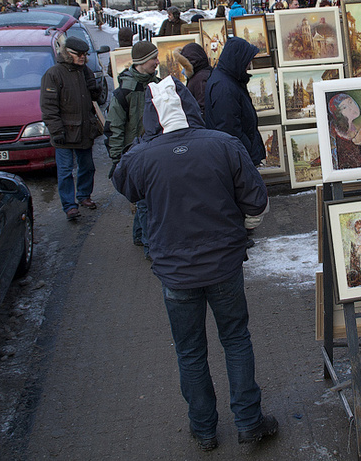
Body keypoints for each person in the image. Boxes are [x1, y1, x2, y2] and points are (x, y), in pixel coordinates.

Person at [112, 76, 278, 452]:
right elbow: (256, 201)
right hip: (224, 266)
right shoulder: (224, 145)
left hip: (176, 273)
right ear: (191, 107)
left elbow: (126, 186)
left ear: (151, 118)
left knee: (190, 351)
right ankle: (249, 421)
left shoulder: (141, 156)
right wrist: (244, 227)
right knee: (235, 339)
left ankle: (203, 429)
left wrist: (147, 142)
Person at [40, 36, 103, 221]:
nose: (83, 58)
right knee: (66, 171)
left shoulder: (85, 72)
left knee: (87, 167)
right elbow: (49, 106)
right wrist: (56, 130)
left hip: (84, 129)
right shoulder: (54, 74)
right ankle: (69, 206)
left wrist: (95, 88)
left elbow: (95, 100)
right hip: (64, 132)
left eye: (85, 54)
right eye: (79, 55)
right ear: (68, 54)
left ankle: (84, 195)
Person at [108, 40, 161, 256]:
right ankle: (150, 248)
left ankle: (140, 236)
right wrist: (116, 159)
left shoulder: (157, 85)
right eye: (153, 59)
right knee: (146, 202)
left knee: (144, 200)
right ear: (141, 62)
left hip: (154, 149)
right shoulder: (123, 93)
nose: (157, 62)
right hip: (134, 154)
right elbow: (115, 127)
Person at [205, 37, 265, 166]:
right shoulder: (224, 86)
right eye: (248, 60)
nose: (249, 65)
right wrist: (248, 151)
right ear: (238, 59)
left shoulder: (227, 79)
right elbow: (229, 129)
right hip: (238, 158)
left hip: (239, 156)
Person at [173, 42, 212, 118]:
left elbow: (202, 109)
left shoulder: (200, 79)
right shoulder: (200, 76)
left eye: (184, 66)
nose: (182, 70)